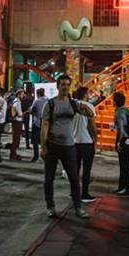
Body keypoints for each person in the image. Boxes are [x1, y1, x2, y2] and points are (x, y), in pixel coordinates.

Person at [40, 76, 91, 219]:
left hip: (69, 147)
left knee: (74, 179)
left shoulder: (74, 104)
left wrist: (87, 108)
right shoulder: (50, 104)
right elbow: (44, 126)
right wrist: (43, 147)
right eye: (63, 85)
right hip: (52, 146)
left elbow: (90, 115)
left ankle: (78, 207)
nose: (65, 87)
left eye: (68, 85)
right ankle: (50, 207)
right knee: (49, 179)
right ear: (57, 86)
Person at [71, 86, 97, 203]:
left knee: (74, 169)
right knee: (86, 170)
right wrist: (95, 139)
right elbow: (91, 125)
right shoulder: (89, 106)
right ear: (85, 94)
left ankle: (74, 192)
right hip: (86, 142)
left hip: (73, 142)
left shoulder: (72, 106)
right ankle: (85, 194)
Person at [112, 92, 129, 195]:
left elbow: (121, 130)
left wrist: (119, 143)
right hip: (128, 140)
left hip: (124, 141)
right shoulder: (125, 110)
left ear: (115, 101)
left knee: (124, 165)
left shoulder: (119, 112)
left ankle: (127, 187)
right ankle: (122, 186)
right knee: (125, 165)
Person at [29, 88, 48, 163]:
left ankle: (36, 156)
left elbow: (31, 109)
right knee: (45, 140)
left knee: (35, 141)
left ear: (38, 94)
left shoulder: (37, 101)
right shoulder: (48, 100)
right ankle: (46, 155)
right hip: (46, 123)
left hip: (37, 122)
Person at [9, 91, 25, 161]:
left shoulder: (16, 102)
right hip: (17, 122)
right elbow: (20, 114)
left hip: (16, 121)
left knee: (15, 138)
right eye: (22, 94)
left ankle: (13, 153)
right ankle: (13, 154)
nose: (23, 96)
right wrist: (27, 112)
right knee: (16, 138)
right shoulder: (17, 103)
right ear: (18, 95)